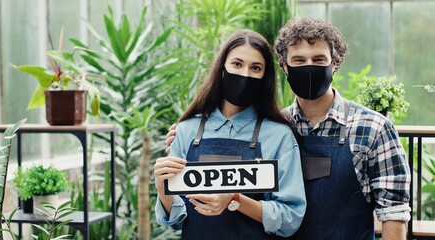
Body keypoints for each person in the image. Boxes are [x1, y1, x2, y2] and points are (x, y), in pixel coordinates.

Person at [166, 18, 412, 240]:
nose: (309, 67)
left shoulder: (373, 128)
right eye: (299, 60)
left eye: (318, 60)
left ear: (335, 63)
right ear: (284, 66)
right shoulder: (278, 126)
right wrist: (185, 138)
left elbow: (394, 213)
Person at [154, 29, 306, 239]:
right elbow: (177, 220)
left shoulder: (279, 136)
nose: (245, 74)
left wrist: (235, 199)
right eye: (237, 64)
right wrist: (163, 189)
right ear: (222, 68)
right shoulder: (186, 130)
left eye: (255, 68)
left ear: (265, 77)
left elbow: (290, 218)